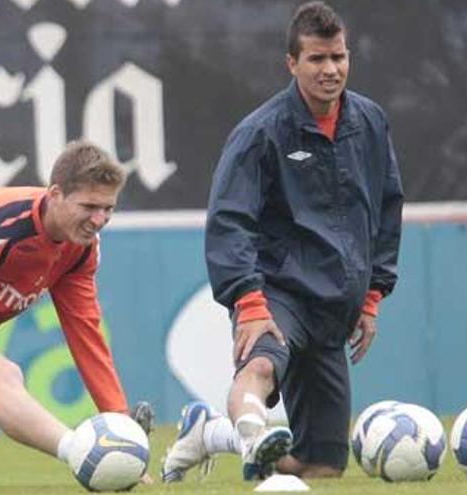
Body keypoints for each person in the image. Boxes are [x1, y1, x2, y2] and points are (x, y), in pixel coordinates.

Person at [161, 1, 403, 482]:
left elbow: (387, 207)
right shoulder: (260, 132)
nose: (330, 69)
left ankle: (211, 436)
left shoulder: (371, 122)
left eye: (338, 57)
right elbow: (229, 222)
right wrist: (250, 303)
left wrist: (373, 294)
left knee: (322, 466)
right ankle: (250, 433)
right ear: (292, 63)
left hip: (336, 305)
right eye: (317, 59)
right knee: (262, 366)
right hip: (278, 292)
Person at [0, 140, 153, 477]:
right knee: (1, 375)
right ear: (55, 194)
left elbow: (86, 334)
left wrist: (121, 427)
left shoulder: (80, 247)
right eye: (89, 206)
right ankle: (84, 454)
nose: (99, 219)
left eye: (108, 209)